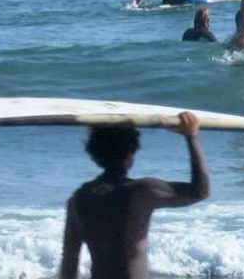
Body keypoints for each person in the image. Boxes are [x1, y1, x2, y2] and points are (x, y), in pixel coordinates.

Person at [59, 112, 209, 279]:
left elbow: (69, 263)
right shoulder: (141, 191)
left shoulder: (78, 198)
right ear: (130, 154)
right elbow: (200, 191)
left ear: (95, 154)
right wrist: (192, 137)